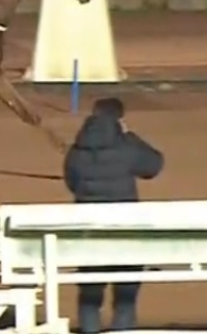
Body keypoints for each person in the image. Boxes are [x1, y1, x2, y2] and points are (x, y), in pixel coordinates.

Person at [63, 97, 164, 334]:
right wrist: (131, 136)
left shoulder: (76, 150)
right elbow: (153, 166)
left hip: (89, 231)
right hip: (125, 230)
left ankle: (90, 329)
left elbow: (72, 183)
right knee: (126, 292)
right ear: (119, 118)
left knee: (90, 292)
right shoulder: (126, 146)